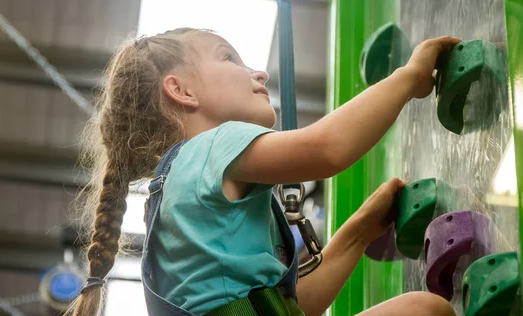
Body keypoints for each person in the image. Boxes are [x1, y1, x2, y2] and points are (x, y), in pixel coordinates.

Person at [71, 28, 460, 316]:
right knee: (424, 311)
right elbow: (328, 147)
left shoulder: (182, 200)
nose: (260, 74)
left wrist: (358, 231)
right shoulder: (210, 148)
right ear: (182, 91)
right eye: (228, 58)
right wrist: (409, 77)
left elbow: (291, 306)